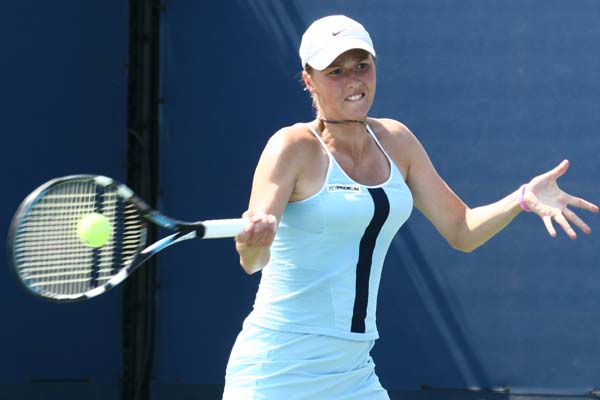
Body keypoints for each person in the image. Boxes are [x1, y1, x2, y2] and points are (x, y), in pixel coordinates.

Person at [222, 15, 598, 399]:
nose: (353, 80)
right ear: (309, 81)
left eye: (361, 66)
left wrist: (521, 199)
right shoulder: (291, 146)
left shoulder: (397, 141)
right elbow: (252, 260)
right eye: (335, 71)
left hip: (353, 373)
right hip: (278, 367)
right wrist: (253, 241)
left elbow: (462, 230)